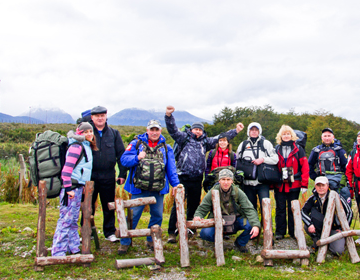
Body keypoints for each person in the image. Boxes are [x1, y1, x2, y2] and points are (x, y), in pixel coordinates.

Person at [165, 105, 244, 243]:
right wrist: (168, 116)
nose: (198, 131)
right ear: (191, 130)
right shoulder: (183, 138)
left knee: (194, 205)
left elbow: (222, 137)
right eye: (196, 129)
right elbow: (172, 130)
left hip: (197, 178)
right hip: (182, 176)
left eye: (200, 130)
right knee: (177, 204)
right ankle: (172, 231)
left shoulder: (206, 142)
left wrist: (236, 131)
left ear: (203, 132)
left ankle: (190, 229)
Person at [117, 120, 180, 255]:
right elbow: (124, 160)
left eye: (157, 130)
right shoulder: (136, 144)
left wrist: (175, 184)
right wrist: (137, 158)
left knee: (157, 216)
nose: (154, 132)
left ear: (160, 131)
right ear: (147, 130)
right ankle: (125, 242)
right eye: (152, 130)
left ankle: (152, 240)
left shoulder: (166, 147)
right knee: (133, 216)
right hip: (138, 188)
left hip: (158, 188)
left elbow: (171, 168)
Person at [51, 122, 96, 256]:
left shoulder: (85, 146)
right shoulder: (77, 146)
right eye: (85, 132)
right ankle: (58, 251)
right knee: (65, 220)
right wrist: (68, 187)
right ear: (79, 133)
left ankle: (73, 246)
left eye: (90, 131)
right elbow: (66, 169)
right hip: (71, 189)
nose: (89, 134)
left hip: (77, 187)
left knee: (73, 219)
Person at [193, 169, 261, 253]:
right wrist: (198, 216)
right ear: (219, 181)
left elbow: (249, 209)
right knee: (204, 234)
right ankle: (218, 241)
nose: (226, 182)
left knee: (250, 225)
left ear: (232, 181)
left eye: (228, 179)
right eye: (223, 179)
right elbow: (202, 208)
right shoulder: (212, 192)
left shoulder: (237, 192)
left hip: (235, 219)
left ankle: (240, 243)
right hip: (216, 219)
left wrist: (256, 225)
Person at [88, 106, 128, 243]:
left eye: (102, 115)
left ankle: (110, 232)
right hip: (89, 177)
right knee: (88, 205)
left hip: (108, 176)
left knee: (109, 205)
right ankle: (87, 231)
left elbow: (121, 155)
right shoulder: (87, 133)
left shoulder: (114, 133)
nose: (100, 118)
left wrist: (122, 173)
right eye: (97, 116)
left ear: (106, 117)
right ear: (92, 117)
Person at [274, 125, 310, 240]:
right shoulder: (276, 149)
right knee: (280, 209)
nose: (286, 136)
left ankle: (293, 232)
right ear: (280, 136)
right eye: (284, 134)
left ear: (292, 135)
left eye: (288, 134)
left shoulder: (298, 149)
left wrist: (304, 184)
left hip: (294, 184)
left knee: (293, 208)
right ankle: (280, 232)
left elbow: (305, 167)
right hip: (279, 184)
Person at [236, 122, 278, 219]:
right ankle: (253, 230)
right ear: (248, 131)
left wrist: (263, 160)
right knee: (250, 208)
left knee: (265, 207)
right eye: (252, 130)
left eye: (256, 130)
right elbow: (237, 161)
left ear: (259, 131)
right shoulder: (243, 145)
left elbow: (275, 159)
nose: (254, 132)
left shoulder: (265, 143)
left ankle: (267, 231)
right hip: (247, 183)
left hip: (262, 182)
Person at [301, 176, 353, 255]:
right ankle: (317, 240)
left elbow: (349, 212)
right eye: (318, 185)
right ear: (315, 187)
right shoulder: (313, 198)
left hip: (334, 229)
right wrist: (310, 224)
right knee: (306, 226)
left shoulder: (337, 197)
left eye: (323, 185)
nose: (321, 188)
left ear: (327, 186)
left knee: (338, 251)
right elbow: (303, 211)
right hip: (319, 228)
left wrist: (343, 229)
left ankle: (328, 242)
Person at [308, 128, 350, 202]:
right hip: (321, 182)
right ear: (322, 137)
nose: (327, 138)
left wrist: (344, 180)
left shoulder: (339, 150)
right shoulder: (316, 150)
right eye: (325, 136)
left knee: (338, 203)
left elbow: (346, 166)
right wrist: (314, 177)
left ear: (333, 137)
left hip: (337, 183)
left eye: (329, 136)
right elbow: (309, 165)